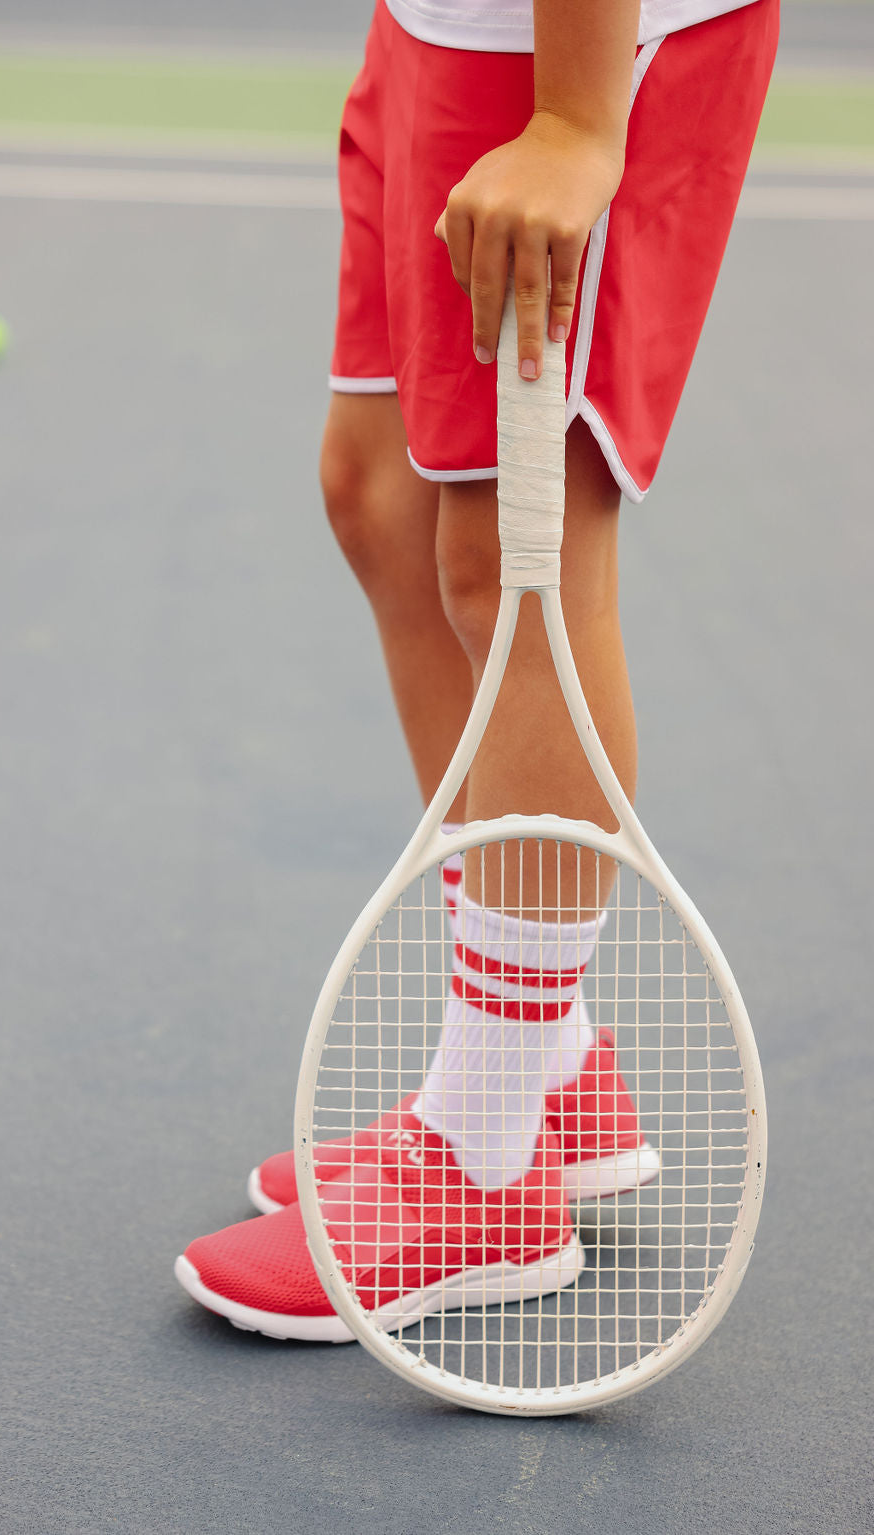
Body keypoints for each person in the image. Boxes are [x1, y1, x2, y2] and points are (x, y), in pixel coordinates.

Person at [174, 0, 779, 1339]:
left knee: (516, 561)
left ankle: (487, 1154)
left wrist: (573, 119)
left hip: (579, 47)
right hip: (448, 25)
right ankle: (549, 1069)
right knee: (379, 495)